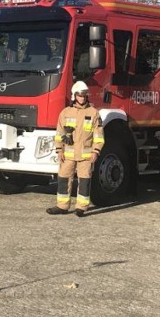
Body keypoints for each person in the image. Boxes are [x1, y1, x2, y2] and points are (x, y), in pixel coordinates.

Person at [46, 81, 104, 217]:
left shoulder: (94, 113)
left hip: (86, 155)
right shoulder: (65, 113)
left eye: (84, 95)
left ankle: (81, 207)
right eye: (80, 95)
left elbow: (98, 135)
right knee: (63, 179)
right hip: (68, 154)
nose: (82, 98)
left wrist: (96, 151)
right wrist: (59, 150)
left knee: (84, 181)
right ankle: (62, 206)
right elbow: (59, 133)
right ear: (74, 96)